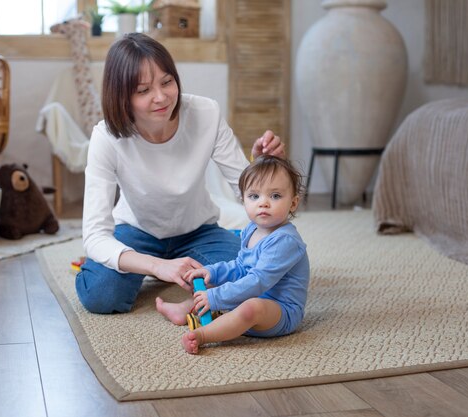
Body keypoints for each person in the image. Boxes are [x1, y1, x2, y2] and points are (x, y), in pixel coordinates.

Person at [76, 33, 285, 314]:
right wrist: (156, 266)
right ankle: (122, 261)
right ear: (121, 96)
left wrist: (262, 167)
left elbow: (244, 186)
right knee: (101, 295)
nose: (161, 97)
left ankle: (225, 243)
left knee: (259, 276)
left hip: (199, 231)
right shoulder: (106, 137)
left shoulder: (205, 113)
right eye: (143, 90)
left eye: (167, 82)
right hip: (136, 232)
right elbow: (95, 234)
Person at [156, 155, 310, 354]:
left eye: (275, 196)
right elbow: (239, 266)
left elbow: (257, 281)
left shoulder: (285, 241)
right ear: (243, 200)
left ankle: (204, 335)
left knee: (250, 307)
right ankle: (184, 309)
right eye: (254, 196)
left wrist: (216, 297)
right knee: (216, 281)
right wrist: (211, 272)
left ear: (293, 203)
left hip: (279, 312)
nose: (263, 203)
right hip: (249, 295)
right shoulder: (251, 230)